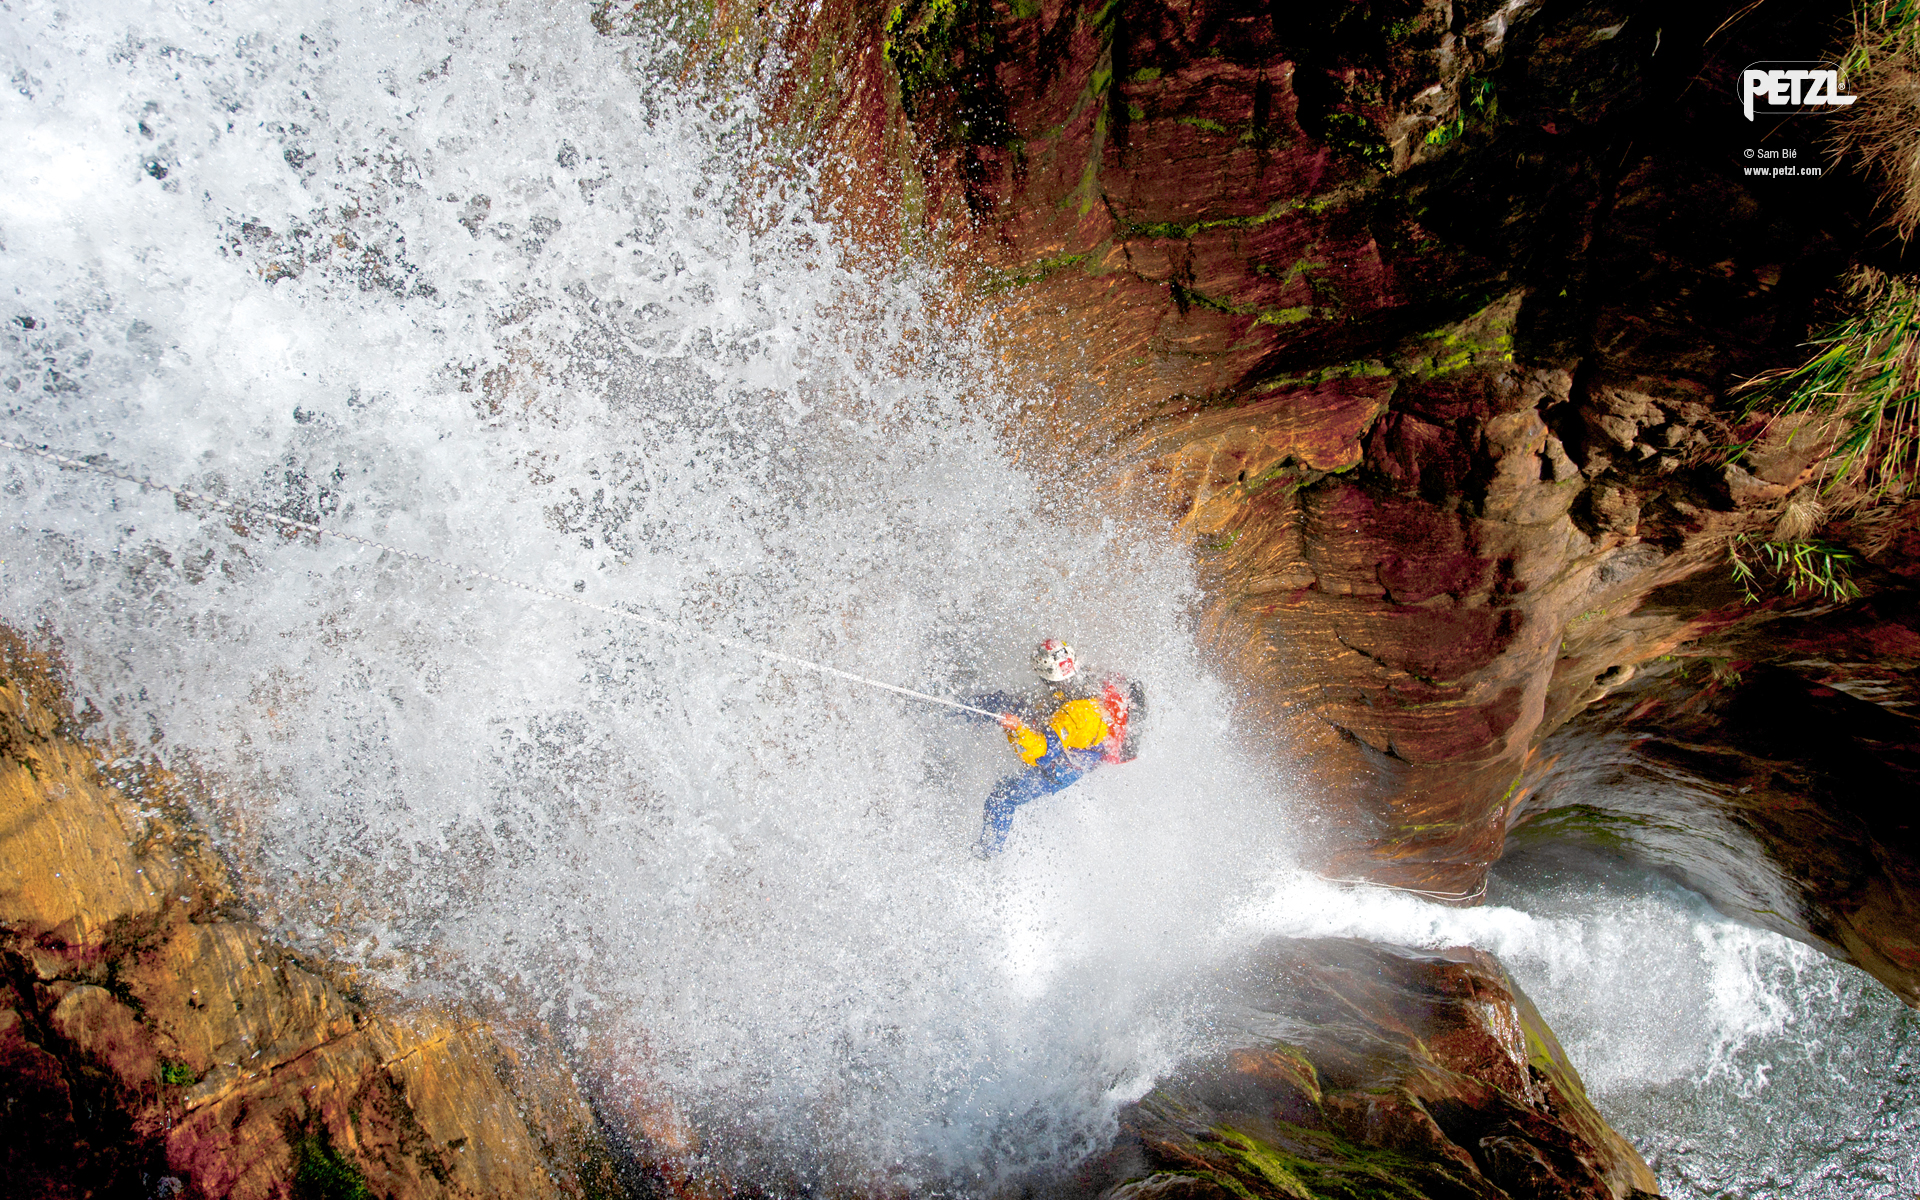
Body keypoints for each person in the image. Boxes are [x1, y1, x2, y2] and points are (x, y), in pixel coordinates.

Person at [970, 639, 1146, 858]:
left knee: (1002, 797)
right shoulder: (1086, 679)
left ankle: (987, 854)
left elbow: (1042, 754)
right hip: (1077, 737)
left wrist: (1017, 728)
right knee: (1005, 702)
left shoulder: (1074, 714)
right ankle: (960, 706)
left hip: (1068, 763)